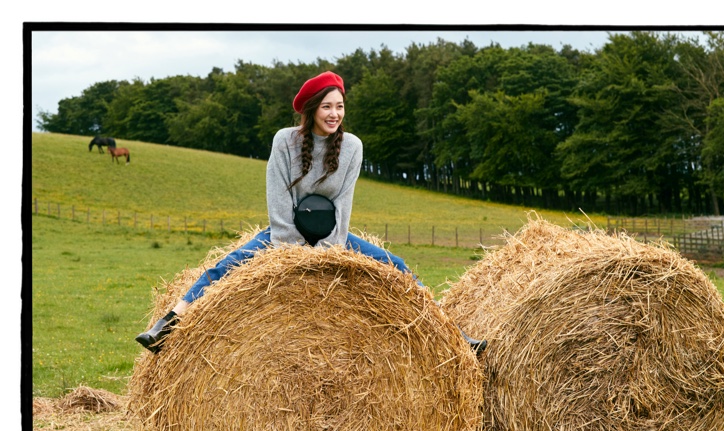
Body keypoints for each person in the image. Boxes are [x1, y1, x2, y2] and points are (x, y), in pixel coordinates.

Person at [135, 71, 486, 354]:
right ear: (312, 110)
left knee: (397, 267)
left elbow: (344, 202)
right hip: (285, 235)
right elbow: (277, 198)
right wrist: (290, 248)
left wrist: (330, 251)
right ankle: (166, 325)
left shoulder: (352, 147)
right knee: (225, 267)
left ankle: (453, 336)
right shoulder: (284, 141)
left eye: (340, 106)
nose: (335, 114)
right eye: (327, 107)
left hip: (333, 236)